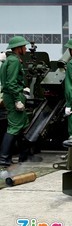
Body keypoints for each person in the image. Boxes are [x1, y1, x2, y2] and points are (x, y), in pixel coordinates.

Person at [0, 36, 30, 167]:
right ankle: (3, 158)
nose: (26, 48)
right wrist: (18, 100)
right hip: (13, 97)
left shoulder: (10, 60)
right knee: (14, 127)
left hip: (13, 94)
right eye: (24, 46)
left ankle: (24, 156)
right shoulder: (14, 61)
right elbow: (11, 83)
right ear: (18, 48)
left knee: (22, 125)